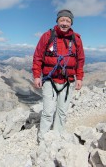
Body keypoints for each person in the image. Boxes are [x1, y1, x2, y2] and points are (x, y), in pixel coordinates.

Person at [32, 9, 85, 142]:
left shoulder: (76, 39)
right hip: (49, 80)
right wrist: (37, 75)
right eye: (62, 20)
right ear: (57, 21)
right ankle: (42, 139)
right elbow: (38, 56)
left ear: (71, 23)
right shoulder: (47, 36)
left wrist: (79, 78)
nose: (65, 23)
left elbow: (80, 60)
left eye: (68, 21)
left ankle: (56, 138)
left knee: (62, 112)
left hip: (68, 81)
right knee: (48, 112)